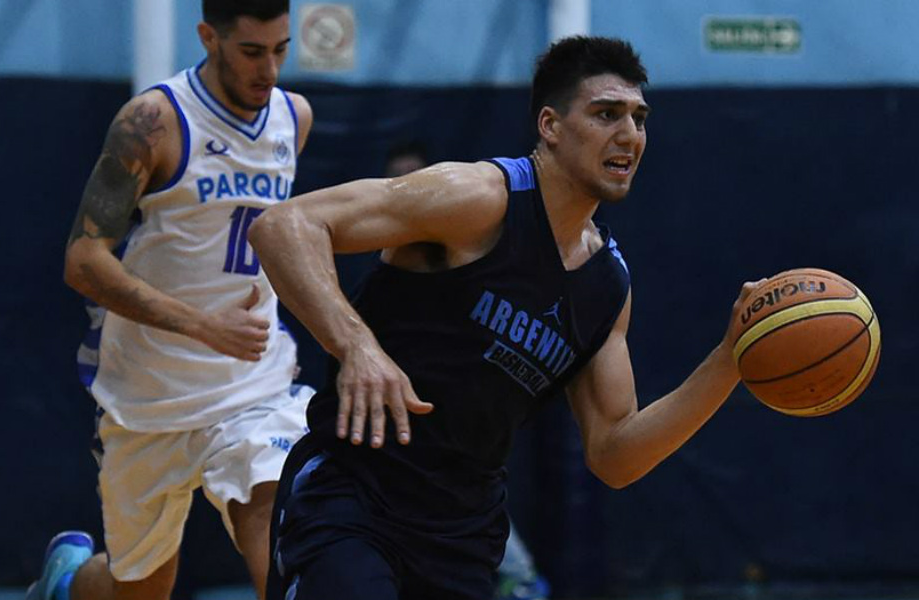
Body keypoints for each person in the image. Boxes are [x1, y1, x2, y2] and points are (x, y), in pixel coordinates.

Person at [249, 36, 761, 600]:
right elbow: (284, 227)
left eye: (640, 118)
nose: (630, 135)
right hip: (354, 498)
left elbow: (614, 453)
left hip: (462, 536)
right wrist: (358, 348)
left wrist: (729, 362)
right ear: (550, 125)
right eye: (606, 114)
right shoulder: (479, 198)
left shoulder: (607, 285)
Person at [25, 2, 313, 600]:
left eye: (281, 50)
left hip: (252, 387)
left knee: (280, 546)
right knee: (141, 588)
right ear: (209, 37)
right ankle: (71, 580)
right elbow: (84, 261)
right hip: (148, 396)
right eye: (252, 52)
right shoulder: (153, 121)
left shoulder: (294, 118)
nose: (270, 71)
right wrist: (202, 325)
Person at [383, 138, 551, 600]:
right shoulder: (385, 260)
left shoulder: (470, 244)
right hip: (389, 458)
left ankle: (522, 580)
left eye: (416, 178)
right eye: (398, 181)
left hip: (461, 453)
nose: (408, 188)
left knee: (511, 573)